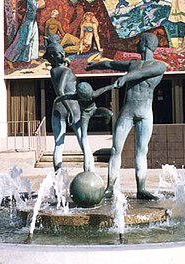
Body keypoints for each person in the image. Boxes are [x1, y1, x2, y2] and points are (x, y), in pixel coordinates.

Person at [86, 33, 166, 200]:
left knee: (141, 151)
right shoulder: (132, 64)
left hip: (145, 114)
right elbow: (111, 63)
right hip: (127, 113)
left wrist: (125, 78)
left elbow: (141, 74)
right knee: (116, 149)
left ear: (145, 43)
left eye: (139, 42)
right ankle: (110, 187)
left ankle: (141, 188)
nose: (136, 44)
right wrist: (96, 66)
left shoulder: (159, 66)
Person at [43, 42, 93, 173]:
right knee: (83, 140)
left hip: (57, 107)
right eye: (60, 53)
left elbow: (59, 90)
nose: (63, 54)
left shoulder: (53, 71)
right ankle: (90, 173)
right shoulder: (66, 71)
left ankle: (57, 176)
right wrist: (70, 110)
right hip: (71, 105)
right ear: (56, 56)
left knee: (59, 144)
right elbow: (61, 90)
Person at [54, 82, 115, 171]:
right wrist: (58, 100)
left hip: (94, 111)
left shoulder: (93, 94)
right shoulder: (76, 96)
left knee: (108, 112)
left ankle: (107, 118)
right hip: (85, 115)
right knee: (84, 137)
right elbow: (66, 97)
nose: (90, 98)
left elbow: (105, 88)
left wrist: (114, 85)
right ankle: (87, 169)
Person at [5, 0, 45, 69]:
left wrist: (40, 3)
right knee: (23, 40)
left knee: (34, 39)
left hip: (32, 19)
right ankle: (9, 59)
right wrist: (39, 4)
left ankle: (32, 58)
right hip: (28, 20)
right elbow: (34, 6)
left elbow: (41, 4)